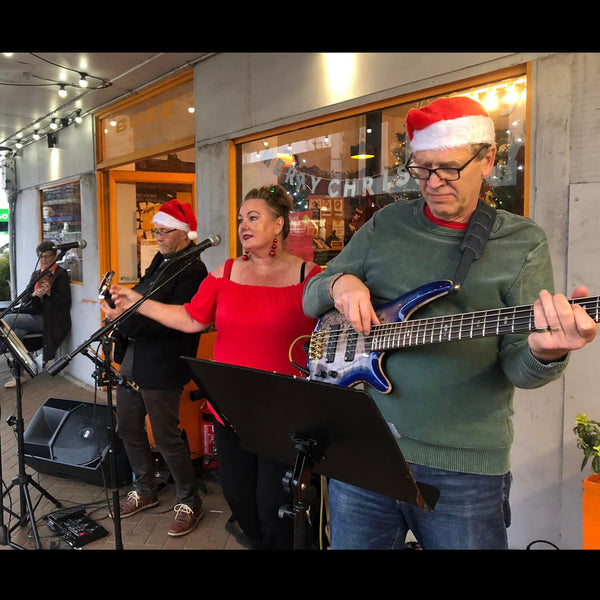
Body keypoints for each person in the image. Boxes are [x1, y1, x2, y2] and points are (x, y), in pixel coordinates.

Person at [302, 96, 598, 550]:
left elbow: (520, 366)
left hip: (465, 469)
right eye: (421, 169)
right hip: (367, 449)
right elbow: (311, 295)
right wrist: (341, 283)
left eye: (449, 168)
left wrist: (546, 350)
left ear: (488, 160)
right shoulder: (386, 225)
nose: (433, 184)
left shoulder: (522, 242)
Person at [108, 185, 322, 549]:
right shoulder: (225, 271)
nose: (243, 226)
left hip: (285, 414)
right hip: (230, 410)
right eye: (241, 219)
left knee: (277, 504)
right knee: (239, 498)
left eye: (253, 218)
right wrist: (136, 301)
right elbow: (191, 318)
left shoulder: (310, 275)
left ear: (279, 224)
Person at [101, 199, 208, 537]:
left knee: (165, 436)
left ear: (184, 233)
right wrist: (119, 300)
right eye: (155, 231)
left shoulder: (194, 271)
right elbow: (145, 299)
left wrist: (126, 320)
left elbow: (169, 323)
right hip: (135, 357)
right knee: (128, 427)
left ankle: (190, 501)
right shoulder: (162, 259)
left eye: (164, 232)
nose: (157, 237)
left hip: (163, 363)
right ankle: (145, 488)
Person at [3, 241, 71, 388]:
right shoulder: (37, 273)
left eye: (47, 257)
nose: (44, 260)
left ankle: (19, 367)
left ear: (54, 257)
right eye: (41, 257)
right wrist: (34, 295)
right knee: (16, 333)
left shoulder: (61, 274)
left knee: (7, 319)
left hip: (52, 319)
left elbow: (65, 302)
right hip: (35, 314)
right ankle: (19, 374)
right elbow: (25, 297)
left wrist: (50, 293)